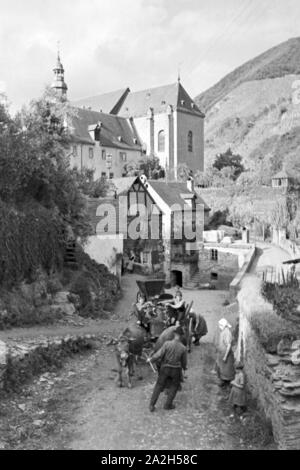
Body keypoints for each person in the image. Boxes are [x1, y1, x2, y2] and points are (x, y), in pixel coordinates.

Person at [148, 327, 187, 412]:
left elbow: (158, 354)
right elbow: (184, 362)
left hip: (165, 368)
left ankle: (152, 405)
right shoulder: (183, 348)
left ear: (174, 334)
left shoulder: (167, 344)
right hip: (176, 370)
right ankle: (168, 405)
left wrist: (151, 359)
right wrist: (184, 368)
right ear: (181, 336)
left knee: (158, 385)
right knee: (174, 386)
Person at [216, 318, 235, 387]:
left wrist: (225, 356)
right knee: (222, 367)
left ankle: (229, 381)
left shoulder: (227, 333)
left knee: (227, 369)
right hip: (222, 353)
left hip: (226, 355)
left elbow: (229, 345)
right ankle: (223, 379)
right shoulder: (224, 331)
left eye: (220, 325)